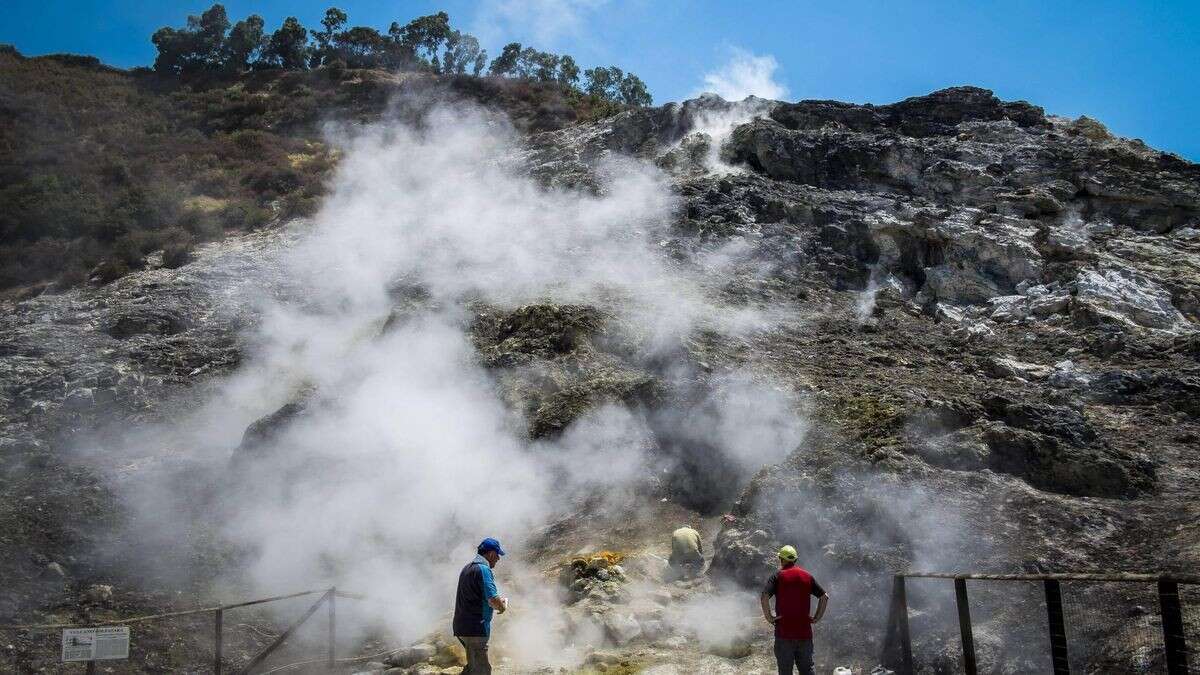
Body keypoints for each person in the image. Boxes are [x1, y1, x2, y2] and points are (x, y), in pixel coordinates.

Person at [760, 545, 829, 675]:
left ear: (781, 559)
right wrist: (816, 618)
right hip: (804, 634)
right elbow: (824, 597)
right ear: (795, 560)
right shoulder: (807, 576)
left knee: (785, 671)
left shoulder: (777, 576)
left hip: (784, 635)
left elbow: (764, 597)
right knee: (807, 670)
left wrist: (770, 618)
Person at [453, 537, 509, 674]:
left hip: (462, 627)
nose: (498, 559)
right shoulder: (484, 569)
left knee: (473, 666)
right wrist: (502, 607)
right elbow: (493, 599)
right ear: (490, 554)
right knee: (482, 670)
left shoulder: (467, 568)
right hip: (475, 628)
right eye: (497, 555)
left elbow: (476, 596)